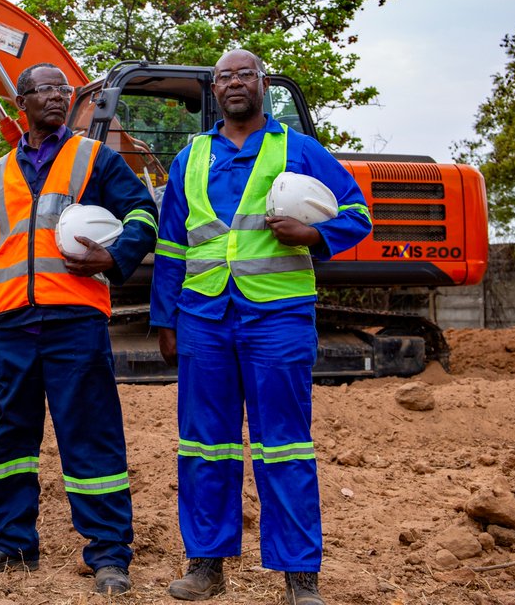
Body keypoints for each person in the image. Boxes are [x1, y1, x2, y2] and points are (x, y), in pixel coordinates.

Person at [151, 49, 372, 605]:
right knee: (204, 447)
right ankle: (206, 566)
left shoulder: (296, 148)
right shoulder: (191, 157)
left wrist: (314, 235)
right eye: (223, 76)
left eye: (243, 74)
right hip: (203, 318)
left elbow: (358, 213)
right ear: (214, 90)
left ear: (262, 83)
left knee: (286, 446)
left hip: (277, 316)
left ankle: (301, 578)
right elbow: (172, 244)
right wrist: (165, 316)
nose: (233, 83)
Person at [0, 63, 157, 595]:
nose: (58, 96)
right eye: (45, 89)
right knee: (13, 435)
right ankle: (11, 542)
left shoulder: (95, 157)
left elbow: (143, 214)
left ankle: (109, 553)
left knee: (89, 434)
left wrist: (115, 256)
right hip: (8, 324)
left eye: (62, 89)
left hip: (73, 318)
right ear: (21, 102)